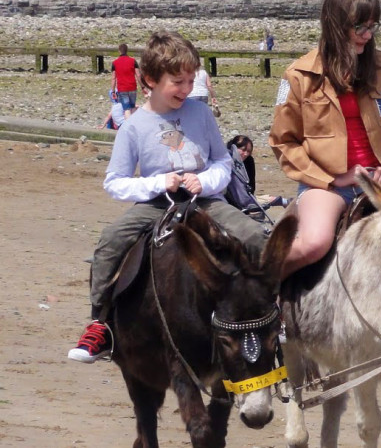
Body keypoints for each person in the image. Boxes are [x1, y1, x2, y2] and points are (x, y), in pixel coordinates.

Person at [67, 31, 269, 363]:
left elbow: (222, 161)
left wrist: (203, 181)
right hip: (157, 205)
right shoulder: (133, 126)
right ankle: (100, 323)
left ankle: (270, 312)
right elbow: (115, 183)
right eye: (178, 81)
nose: (187, 89)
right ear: (149, 80)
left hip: (206, 201)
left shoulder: (201, 114)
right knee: (110, 241)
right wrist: (158, 182)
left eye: (191, 80)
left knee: (254, 235)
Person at [270, 0, 381, 279]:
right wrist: (333, 180)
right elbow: (283, 143)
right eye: (359, 26)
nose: (367, 35)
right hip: (329, 186)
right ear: (335, 24)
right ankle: (261, 286)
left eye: (373, 26)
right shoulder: (298, 75)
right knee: (315, 243)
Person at [110, 43, 139, 121]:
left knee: (126, 109)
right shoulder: (133, 61)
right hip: (132, 87)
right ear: (127, 51)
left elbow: (113, 78)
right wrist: (143, 86)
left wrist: (112, 91)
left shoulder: (115, 63)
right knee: (133, 107)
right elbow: (138, 75)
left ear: (119, 51)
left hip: (122, 88)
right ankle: (134, 125)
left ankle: (128, 127)